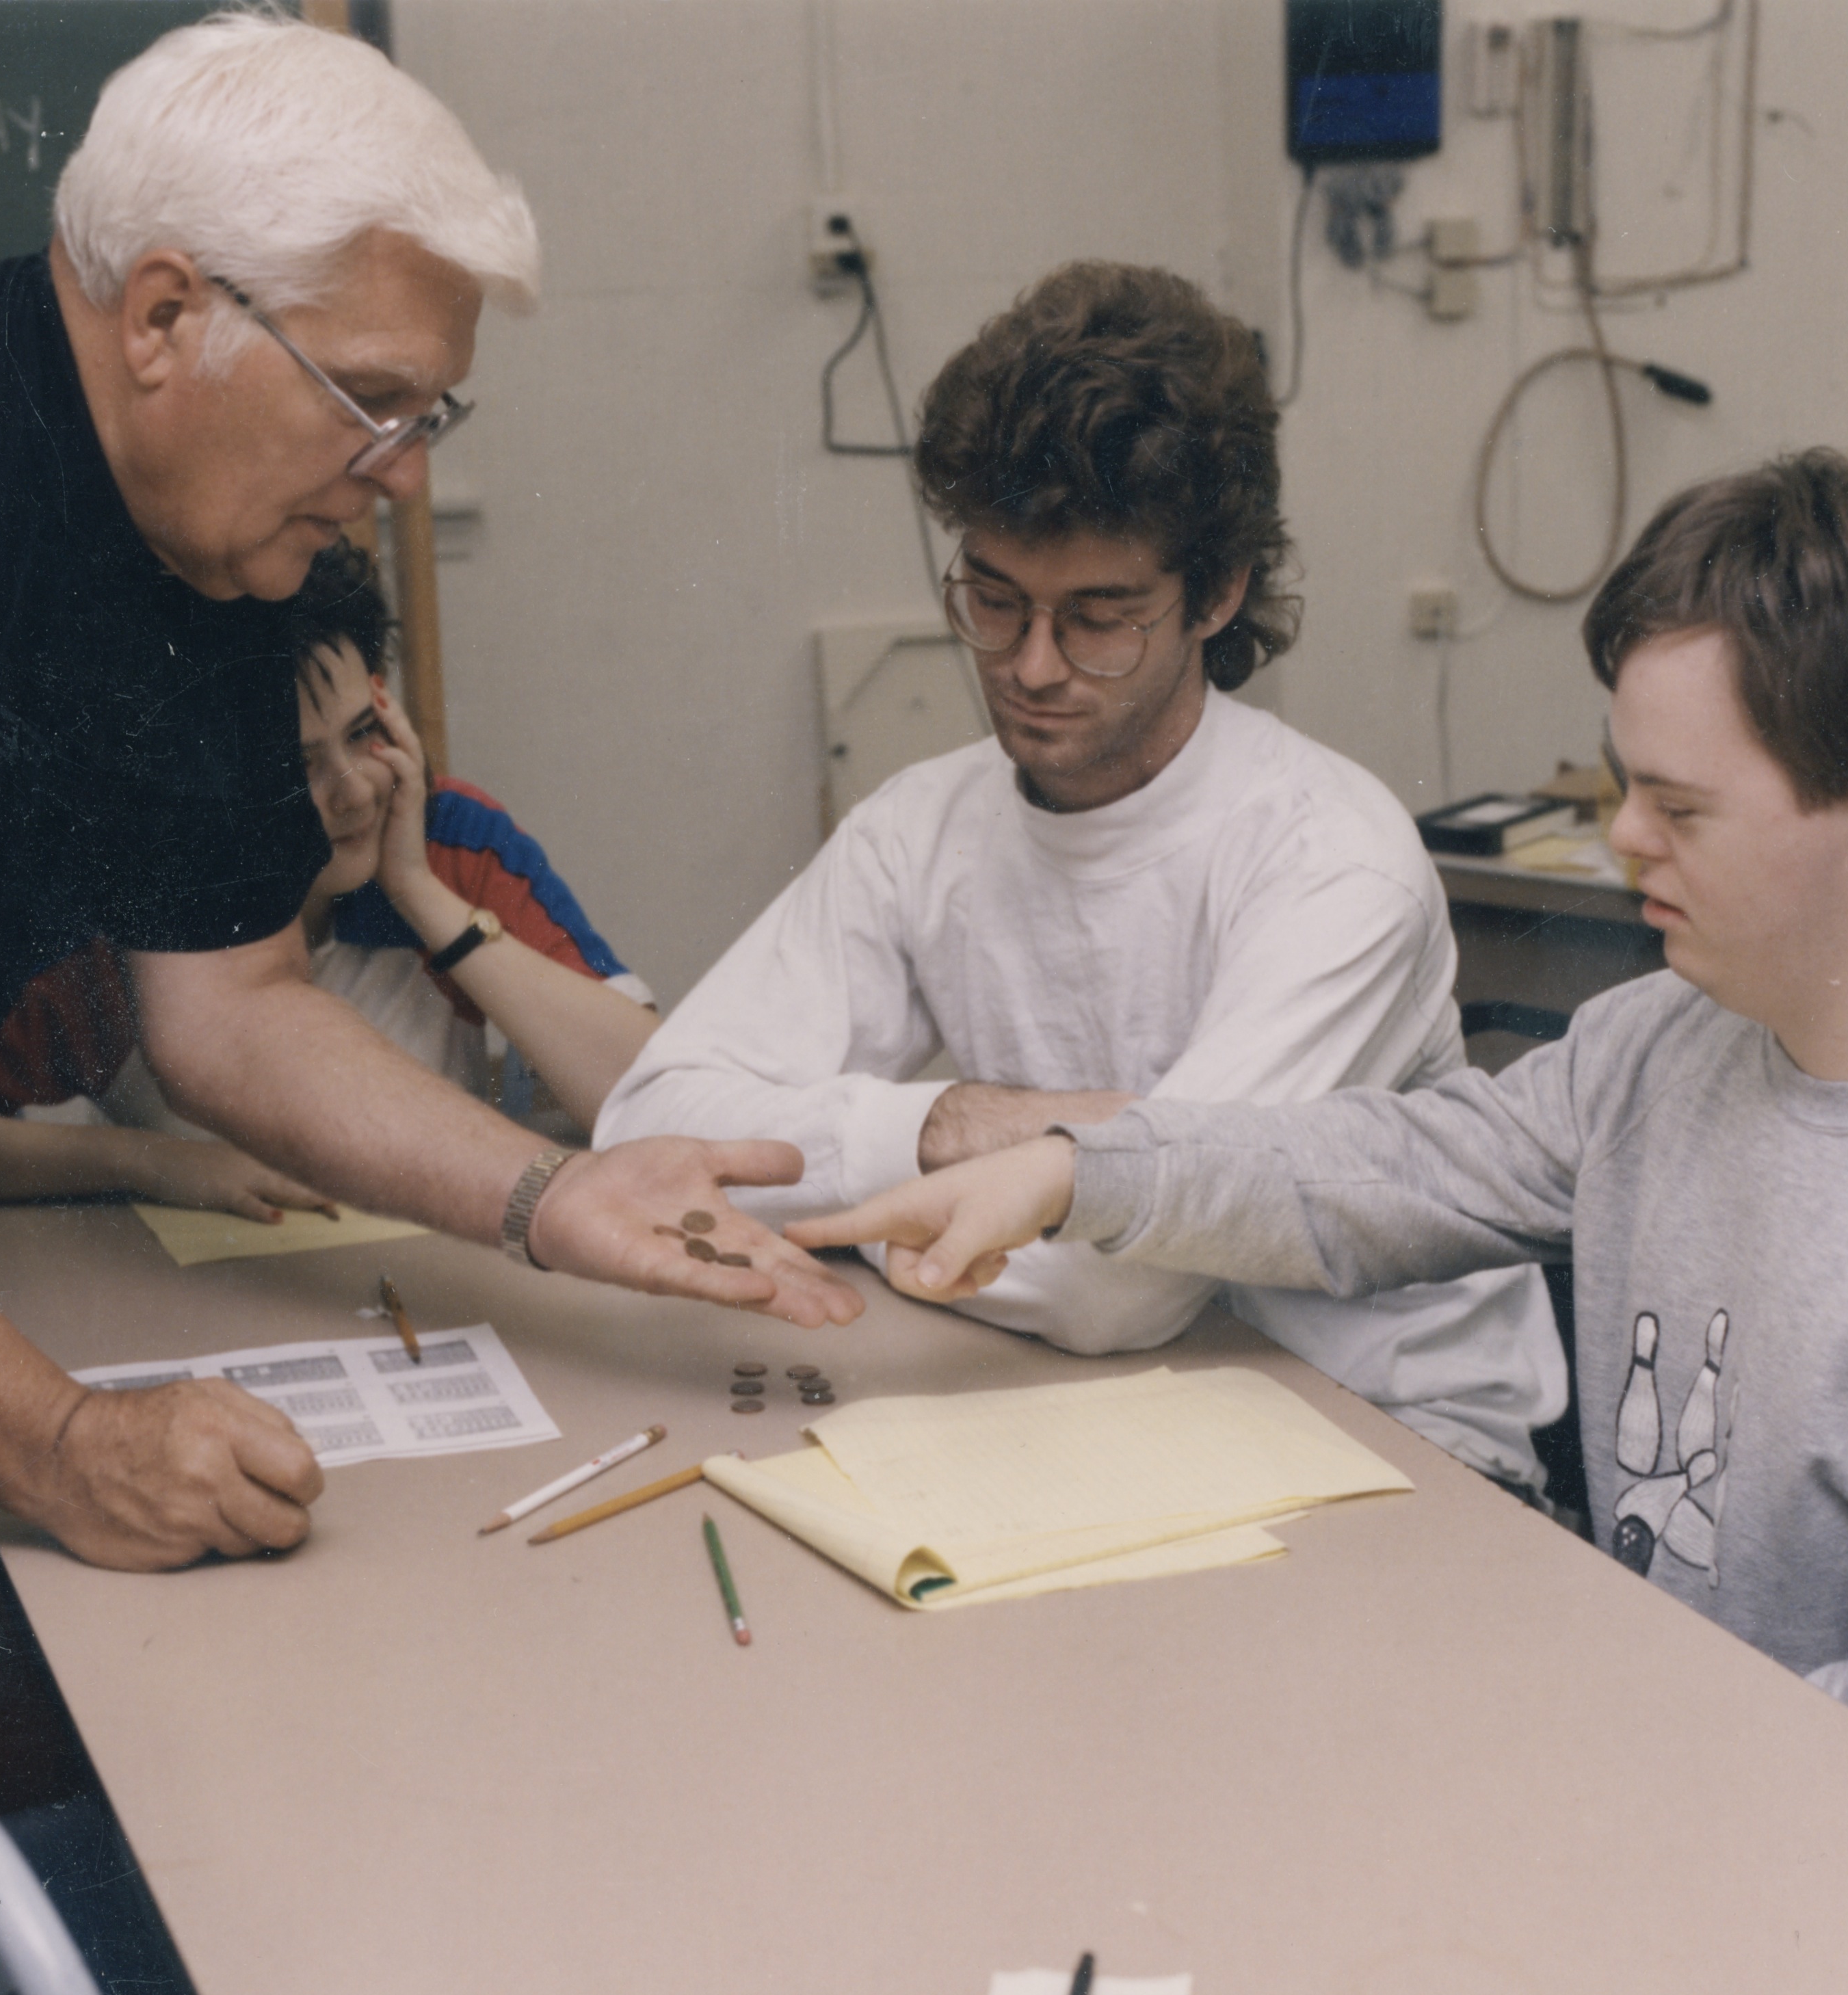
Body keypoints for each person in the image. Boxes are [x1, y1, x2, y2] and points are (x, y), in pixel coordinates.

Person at [0, 13, 851, 1887]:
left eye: (432, 418)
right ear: (161, 319)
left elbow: (231, 1013)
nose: (397, 471)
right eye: (375, 397)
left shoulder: (225, 543)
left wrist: (557, 1195)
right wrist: (54, 1443)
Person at [793, 452, 1848, 1848]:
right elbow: (1391, 1168)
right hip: (1669, 1793)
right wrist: (1072, 1169)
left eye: (1681, 806)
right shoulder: (1661, 1043)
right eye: (1620, 784)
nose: (1619, 838)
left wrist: (1531, 1757)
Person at [597, 261, 1561, 1487]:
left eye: (1098, 617)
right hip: (1085, 1408)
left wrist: (844, 1198)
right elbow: (645, 1132)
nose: (1030, 665)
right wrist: (947, 1124)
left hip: (1386, 1441)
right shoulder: (920, 827)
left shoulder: (1333, 863)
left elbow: (1121, 1295)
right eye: (993, 600)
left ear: (1216, 593)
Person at [0, 539, 658, 1216]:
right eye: (297, 767)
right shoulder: (128, 901)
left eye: (363, 735)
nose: (354, 791)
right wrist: (147, 1163)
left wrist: (421, 894)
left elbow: (655, 1097)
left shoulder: (449, 838)